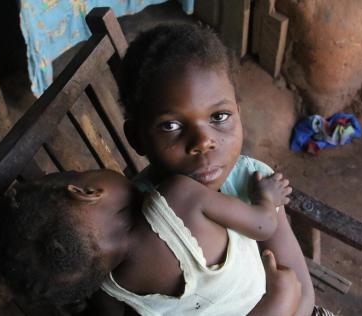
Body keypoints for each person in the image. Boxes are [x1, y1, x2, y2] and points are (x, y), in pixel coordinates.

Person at [117, 23, 320, 315]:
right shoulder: (139, 218)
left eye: (219, 116)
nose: (203, 142)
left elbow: (301, 290)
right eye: (171, 126)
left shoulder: (252, 183)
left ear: (239, 112)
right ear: (136, 137)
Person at [0, 169, 301, 315]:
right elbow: (263, 225)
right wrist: (267, 197)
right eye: (79, 172)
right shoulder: (179, 198)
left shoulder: (109, 291)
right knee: (288, 291)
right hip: (268, 302)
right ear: (86, 192)